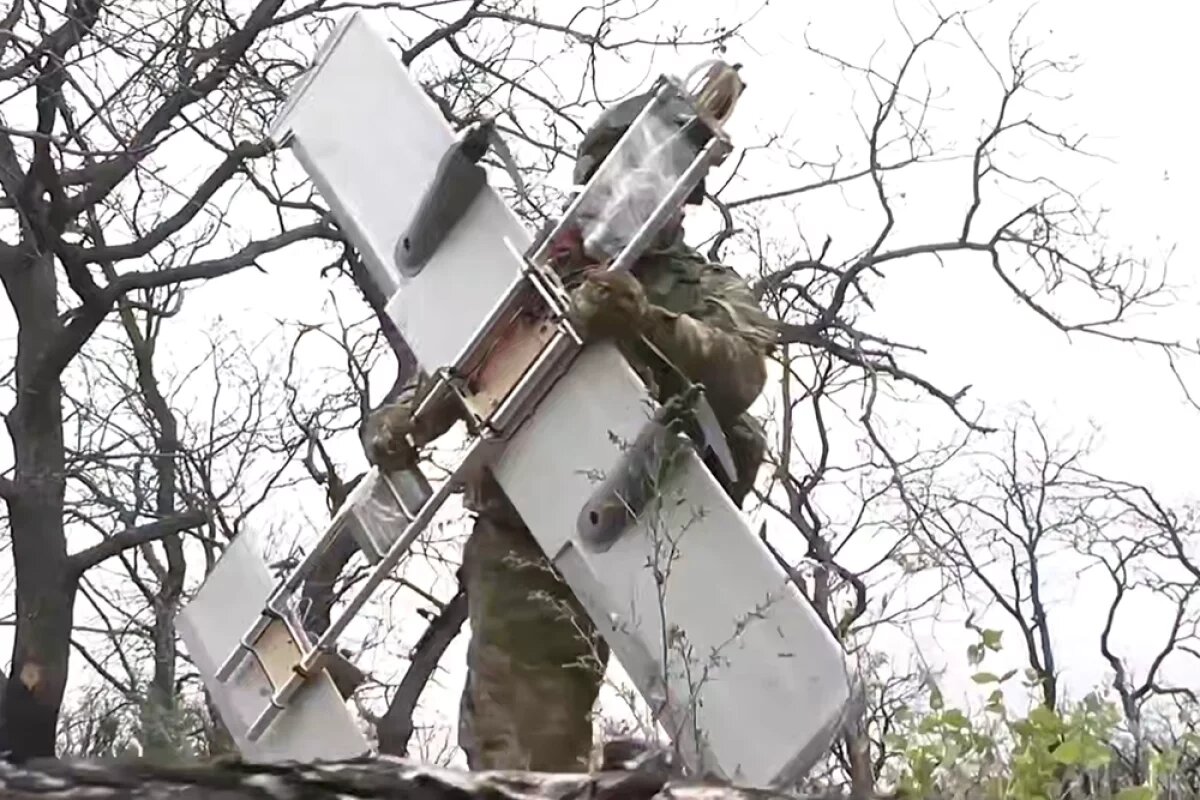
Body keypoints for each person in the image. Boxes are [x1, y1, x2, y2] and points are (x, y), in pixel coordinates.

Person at [362, 93, 777, 772]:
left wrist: (643, 321)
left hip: (642, 517)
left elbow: (743, 373)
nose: (653, 194)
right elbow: (471, 357)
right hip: (525, 525)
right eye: (629, 175)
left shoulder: (704, 286)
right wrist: (410, 420)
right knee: (524, 758)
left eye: (670, 183)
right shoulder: (543, 261)